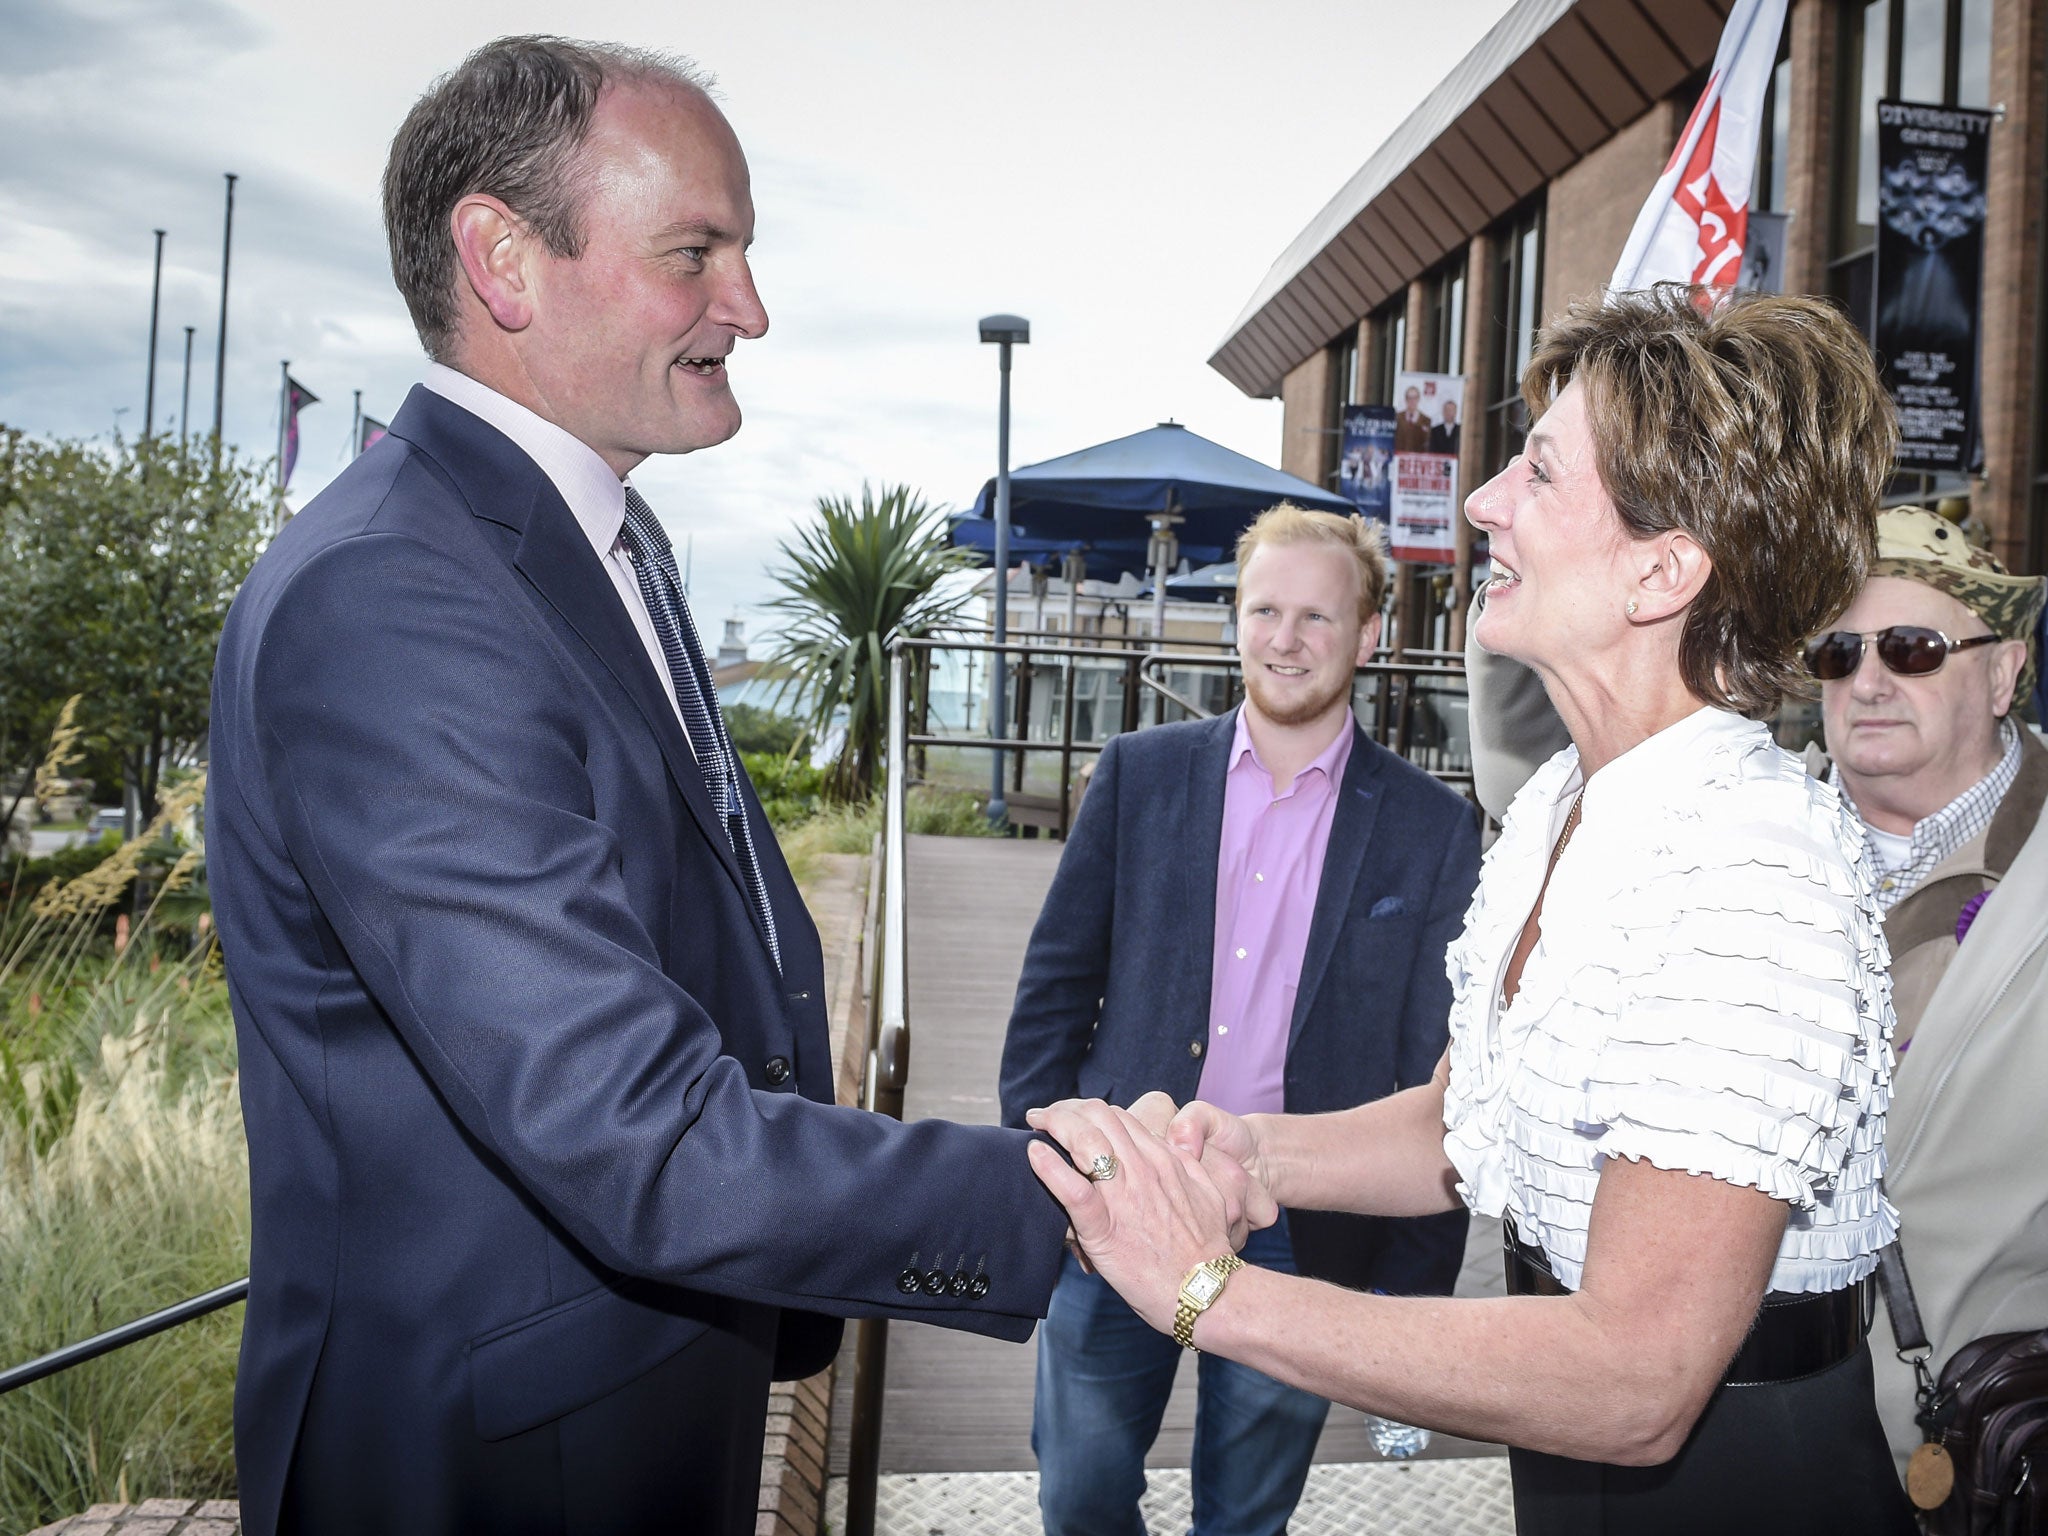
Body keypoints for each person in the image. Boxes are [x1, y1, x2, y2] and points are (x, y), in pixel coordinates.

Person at [206, 37, 1104, 1536]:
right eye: (696, 253)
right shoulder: (391, 599)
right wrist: (1055, 1199)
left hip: (641, 1399)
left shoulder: (609, 541)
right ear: (503, 258)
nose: (747, 307)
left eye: (742, 253)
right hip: (486, 1467)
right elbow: (635, 1126)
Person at [1025, 286, 1918, 1535]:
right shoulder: (1562, 802)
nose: (1484, 501)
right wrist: (1242, 1150)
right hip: (1574, 1468)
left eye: (1538, 474)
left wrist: (1204, 1296)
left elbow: (1633, 1380)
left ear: (1662, 570)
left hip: (1731, 1480)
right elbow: (1462, 1124)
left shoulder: (1748, 870)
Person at [999, 504, 1478, 1536]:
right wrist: (1035, 1165)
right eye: (1264, 609)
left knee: (1245, 1518)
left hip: (1301, 1226)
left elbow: (1432, 1070)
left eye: (1316, 616)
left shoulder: (1431, 828)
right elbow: (1053, 986)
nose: (1285, 637)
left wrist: (1407, 1286)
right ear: (1235, 621)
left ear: (1367, 636)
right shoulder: (1139, 775)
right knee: (1076, 1491)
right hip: (1124, 1192)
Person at [1802, 507, 2048, 1474]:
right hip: (1744, 1427)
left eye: (1912, 648)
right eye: (1837, 651)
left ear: (2003, 672)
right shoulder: (1746, 844)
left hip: (1988, 1430)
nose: (1867, 680)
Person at [1392, 385, 1431, 453]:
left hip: (1417, 459)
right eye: (1409, 398)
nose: (1412, 401)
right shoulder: (1397, 417)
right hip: (1400, 458)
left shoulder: (1426, 420)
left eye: (1414, 398)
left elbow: (1427, 444)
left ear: (1418, 399)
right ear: (1406, 399)